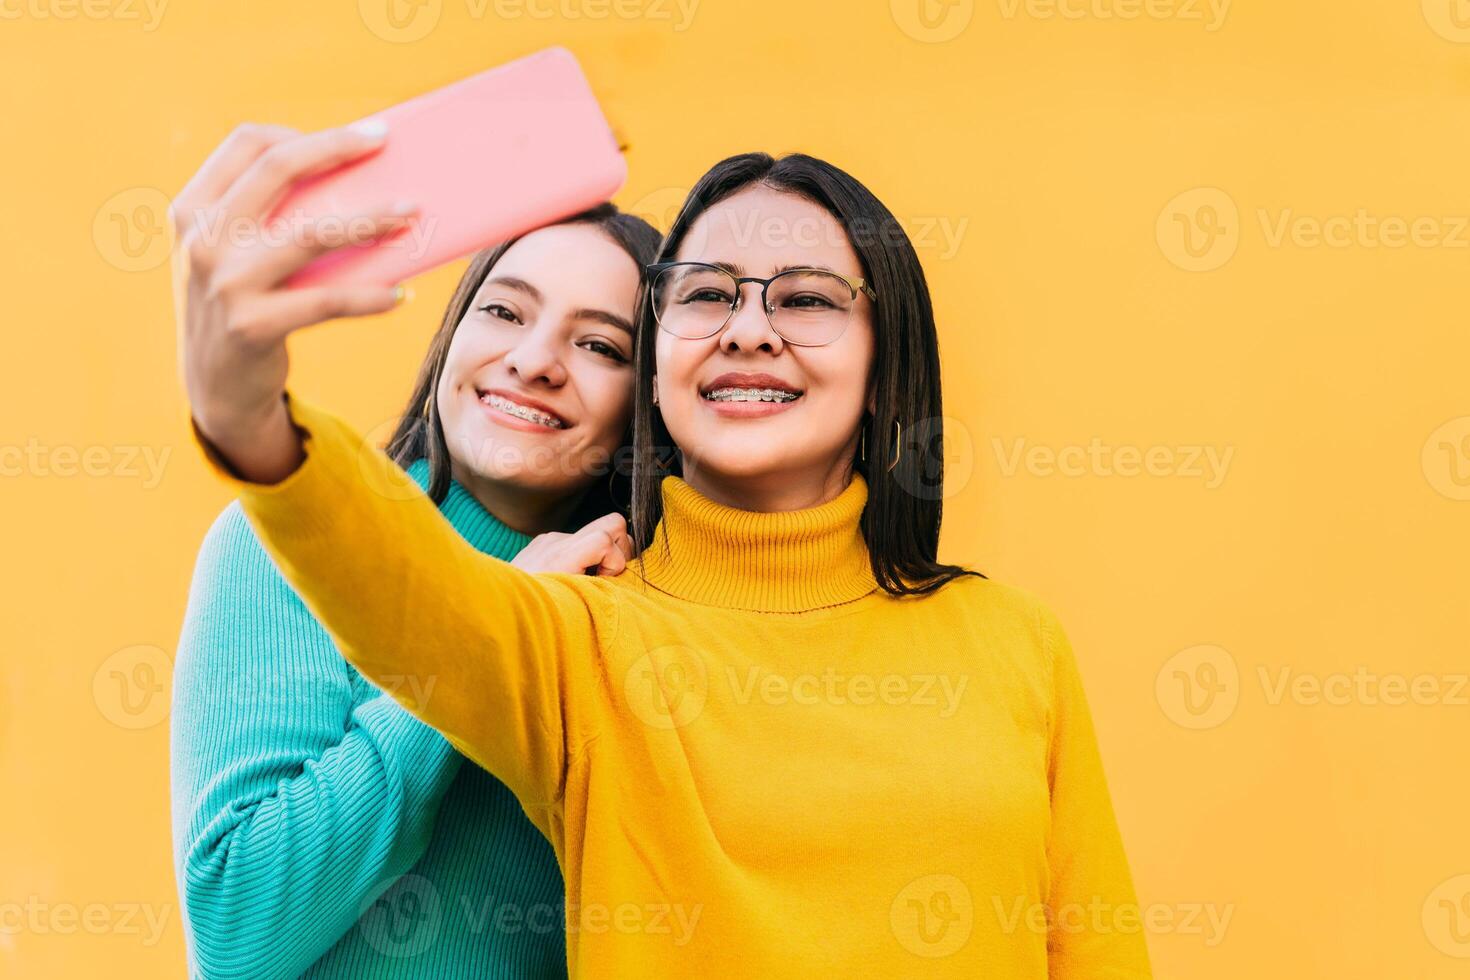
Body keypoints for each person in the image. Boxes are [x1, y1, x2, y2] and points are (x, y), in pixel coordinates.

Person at [178, 122, 1153, 977]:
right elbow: (398, 577)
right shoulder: (579, 629)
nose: (750, 329)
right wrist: (247, 410)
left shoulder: (1017, 641)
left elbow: (1097, 948)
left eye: (807, 299)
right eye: (707, 296)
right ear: (668, 373)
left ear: (883, 359)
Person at [169, 122, 659, 980]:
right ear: (452, 335)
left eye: (600, 346)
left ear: (643, 407)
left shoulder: (639, 600)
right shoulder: (289, 537)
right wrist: (486, 632)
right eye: (503, 310)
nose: (534, 360)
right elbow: (239, 928)